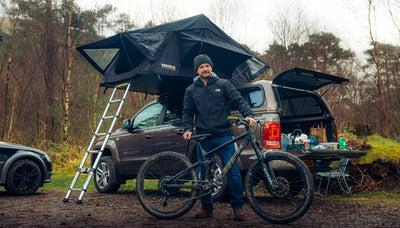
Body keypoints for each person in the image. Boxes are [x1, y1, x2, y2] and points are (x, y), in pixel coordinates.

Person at [182, 54, 256, 221]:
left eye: (207, 66)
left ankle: (238, 207)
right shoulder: (191, 90)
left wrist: (249, 115)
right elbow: (187, 112)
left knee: (233, 172)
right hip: (203, 137)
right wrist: (187, 128)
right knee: (204, 174)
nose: (205, 69)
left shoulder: (223, 84)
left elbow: (238, 100)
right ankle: (206, 207)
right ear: (197, 70)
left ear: (211, 67)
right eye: (201, 67)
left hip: (224, 136)